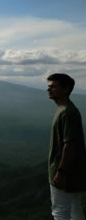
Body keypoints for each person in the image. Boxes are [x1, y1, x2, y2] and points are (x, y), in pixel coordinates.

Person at [47, 73, 86, 220]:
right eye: (49, 86)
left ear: (66, 89)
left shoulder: (67, 112)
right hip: (73, 172)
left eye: (53, 86)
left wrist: (61, 172)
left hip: (64, 172)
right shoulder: (66, 109)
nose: (48, 89)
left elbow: (70, 144)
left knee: (60, 212)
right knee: (75, 210)